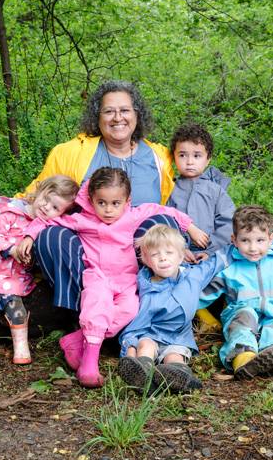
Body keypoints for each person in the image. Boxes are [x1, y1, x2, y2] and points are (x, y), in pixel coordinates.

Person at [13, 168, 207, 388]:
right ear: (91, 200)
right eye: (101, 203)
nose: (108, 210)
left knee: (129, 311)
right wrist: (29, 236)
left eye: (115, 203)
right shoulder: (82, 220)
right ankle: (89, 366)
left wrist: (191, 228)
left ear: (127, 201)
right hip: (97, 277)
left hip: (127, 281)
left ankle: (77, 340)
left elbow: (165, 211)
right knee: (97, 307)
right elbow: (49, 222)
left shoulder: (132, 216)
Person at [20, 80, 182, 315]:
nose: (118, 117)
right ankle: (84, 316)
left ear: (137, 114)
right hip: (89, 247)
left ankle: (149, 313)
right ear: (97, 117)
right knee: (50, 235)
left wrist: (185, 241)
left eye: (125, 110)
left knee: (161, 224)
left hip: (137, 246)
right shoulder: (71, 153)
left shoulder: (160, 157)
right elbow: (35, 196)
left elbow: (176, 198)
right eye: (109, 111)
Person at [0, 175, 79, 370]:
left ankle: (21, 346)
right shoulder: (11, 213)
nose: (46, 207)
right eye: (46, 199)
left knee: (15, 306)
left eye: (55, 208)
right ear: (40, 191)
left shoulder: (45, 227)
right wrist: (12, 249)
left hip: (14, 274)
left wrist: (30, 259)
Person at [118, 225, 231, 394]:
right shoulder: (144, 284)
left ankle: (178, 376)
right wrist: (130, 347)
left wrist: (237, 243)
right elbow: (138, 321)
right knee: (145, 345)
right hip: (150, 334)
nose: (163, 259)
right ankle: (143, 375)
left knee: (174, 356)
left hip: (178, 337)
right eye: (155, 255)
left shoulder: (193, 277)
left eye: (169, 253)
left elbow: (216, 263)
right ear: (147, 261)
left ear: (181, 256)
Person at [198, 206, 273, 379]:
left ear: (271, 239)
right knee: (243, 320)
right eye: (245, 240)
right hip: (242, 313)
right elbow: (203, 296)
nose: (253, 248)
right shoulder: (230, 269)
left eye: (259, 240)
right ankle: (244, 359)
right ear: (234, 240)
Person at [166, 123, 235, 254]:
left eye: (197, 156)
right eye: (182, 155)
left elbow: (228, 224)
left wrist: (209, 251)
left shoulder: (215, 191)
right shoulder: (170, 189)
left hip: (212, 253)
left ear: (208, 159)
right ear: (173, 157)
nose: (189, 162)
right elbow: (165, 223)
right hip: (176, 254)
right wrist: (180, 249)